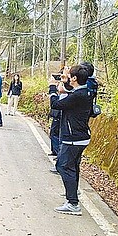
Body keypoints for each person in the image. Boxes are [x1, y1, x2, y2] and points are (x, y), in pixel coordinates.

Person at [49, 64, 93, 216]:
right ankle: (73, 195)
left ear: (74, 78)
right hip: (81, 137)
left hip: (73, 137)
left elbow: (56, 104)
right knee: (72, 167)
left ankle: (73, 203)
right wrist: (65, 85)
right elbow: (71, 92)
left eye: (69, 76)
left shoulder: (77, 96)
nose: (67, 77)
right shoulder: (86, 91)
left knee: (62, 166)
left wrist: (53, 90)